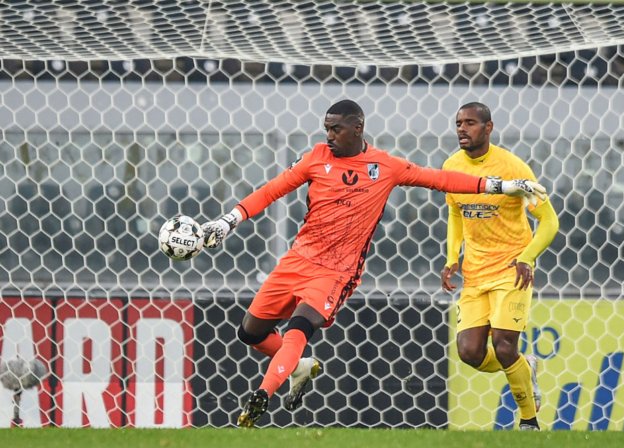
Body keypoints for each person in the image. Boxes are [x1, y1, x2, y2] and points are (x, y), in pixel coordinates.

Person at [201, 99, 547, 428]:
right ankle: (300, 366)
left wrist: (502, 185)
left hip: (336, 271)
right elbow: (271, 190)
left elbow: (440, 180)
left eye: (336, 129)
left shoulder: (384, 167)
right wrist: (229, 221)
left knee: (298, 329)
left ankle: (263, 394)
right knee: (250, 332)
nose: (329, 136)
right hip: (297, 259)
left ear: (357, 128)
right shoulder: (315, 158)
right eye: (326, 129)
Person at [440, 102, 559, 431]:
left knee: (505, 345)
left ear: (488, 128)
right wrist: (452, 257)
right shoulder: (452, 166)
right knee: (470, 352)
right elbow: (455, 212)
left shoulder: (513, 168)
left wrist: (527, 257)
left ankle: (529, 422)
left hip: (511, 267)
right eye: (459, 123)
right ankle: (525, 367)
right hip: (475, 272)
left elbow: (549, 221)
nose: (462, 129)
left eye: (470, 123)